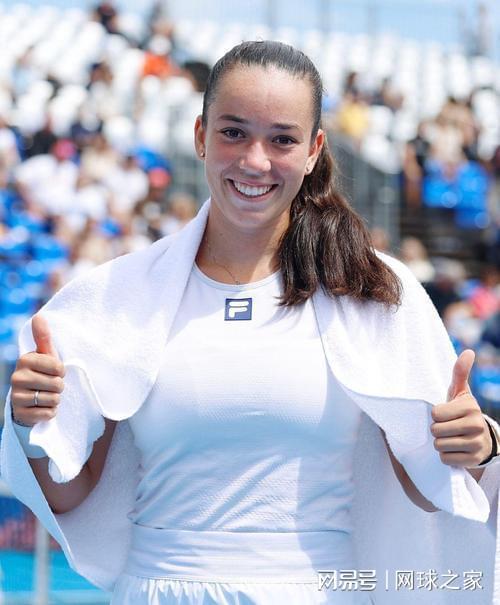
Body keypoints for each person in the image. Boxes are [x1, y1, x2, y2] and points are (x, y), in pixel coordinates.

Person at [2, 41, 500, 605]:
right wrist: (32, 422)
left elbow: (430, 489)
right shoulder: (122, 295)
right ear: (200, 136)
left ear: (314, 150)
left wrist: (477, 445)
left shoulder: (374, 290)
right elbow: (70, 495)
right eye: (233, 132)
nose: (255, 161)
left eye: (282, 139)